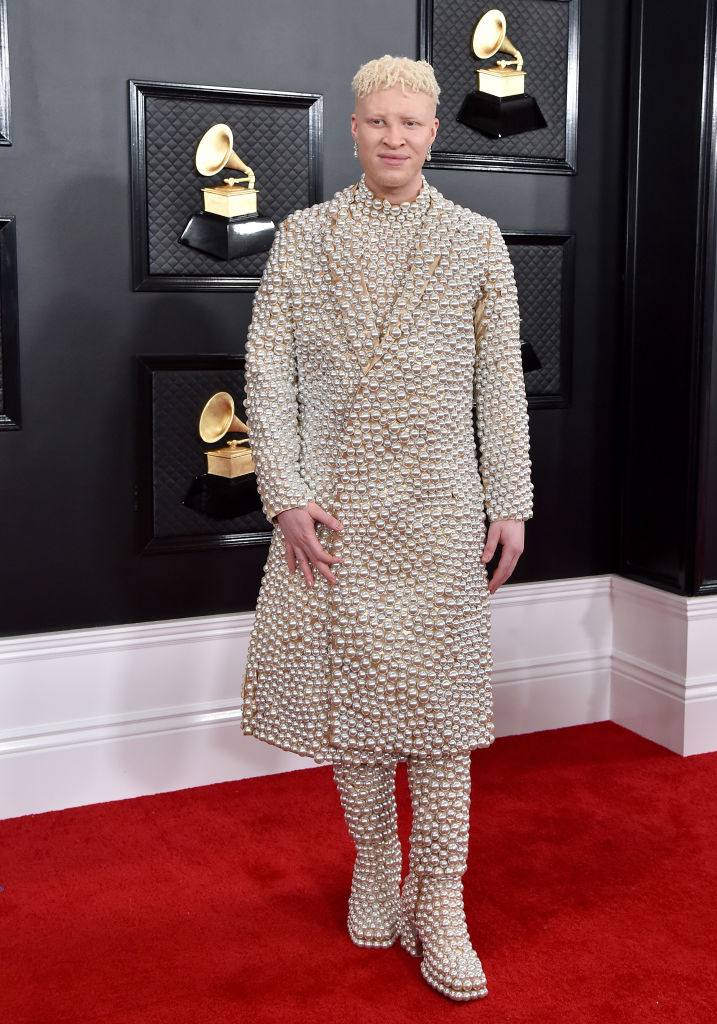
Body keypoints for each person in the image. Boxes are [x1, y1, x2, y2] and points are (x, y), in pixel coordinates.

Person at [242, 55, 532, 1002]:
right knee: (358, 712)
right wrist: (283, 492)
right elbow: (268, 379)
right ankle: (377, 864)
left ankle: (438, 897)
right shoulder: (302, 237)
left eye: (411, 121)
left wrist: (511, 502)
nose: (395, 136)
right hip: (337, 513)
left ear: (435, 129)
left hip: (443, 509)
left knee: (443, 720)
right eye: (378, 122)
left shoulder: (478, 241)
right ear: (354, 128)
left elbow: (499, 386)